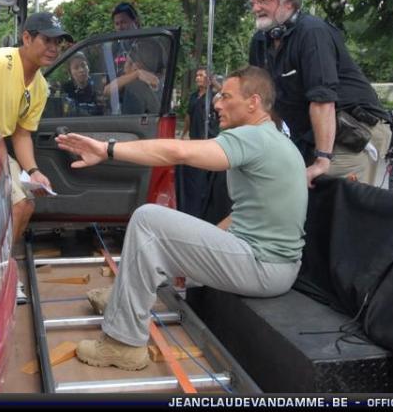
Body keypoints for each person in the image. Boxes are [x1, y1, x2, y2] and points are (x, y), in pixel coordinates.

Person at [55, 66, 308, 371]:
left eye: (226, 97)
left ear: (253, 102)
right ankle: (122, 299)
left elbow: (178, 152)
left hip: (264, 267)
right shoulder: (274, 138)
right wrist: (193, 250)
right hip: (272, 264)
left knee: (148, 220)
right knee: (162, 234)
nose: (216, 103)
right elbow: (244, 214)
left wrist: (107, 149)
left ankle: (122, 345)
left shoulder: (253, 137)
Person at [246, 0, 392, 187]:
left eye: (263, 1)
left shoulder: (312, 33)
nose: (255, 8)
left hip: (353, 131)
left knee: (330, 191)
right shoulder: (259, 42)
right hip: (313, 135)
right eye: (252, 2)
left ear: (288, 2)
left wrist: (322, 160)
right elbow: (266, 103)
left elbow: (322, 99)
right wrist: (271, 150)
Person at [0, 11, 73, 244]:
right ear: (27, 38)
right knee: (17, 206)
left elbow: (21, 133)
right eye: (47, 40)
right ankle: (0, 264)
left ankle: (6, 260)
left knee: (26, 205)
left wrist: (34, 171)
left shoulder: (40, 87)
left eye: (58, 42)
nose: (54, 48)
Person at [179, 67, 219, 217]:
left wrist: (215, 83)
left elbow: (227, 95)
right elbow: (189, 116)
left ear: (208, 78)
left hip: (209, 138)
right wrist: (184, 134)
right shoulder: (194, 96)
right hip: (195, 137)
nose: (197, 78)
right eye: (197, 75)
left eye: (201, 75)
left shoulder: (214, 96)